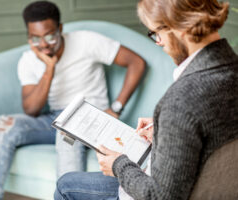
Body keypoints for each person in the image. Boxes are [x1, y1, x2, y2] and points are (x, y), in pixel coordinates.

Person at [54, 0, 238, 199]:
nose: (158, 42)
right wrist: (165, 129)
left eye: (156, 33)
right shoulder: (231, 71)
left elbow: (160, 196)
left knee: (66, 185)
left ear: (179, 28)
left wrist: (118, 164)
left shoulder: (181, 101)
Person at [0, 1, 145, 200]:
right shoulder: (28, 59)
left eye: (49, 36)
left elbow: (136, 62)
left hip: (89, 118)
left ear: (60, 29)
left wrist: (116, 108)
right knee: (3, 125)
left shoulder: (87, 41)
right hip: (53, 119)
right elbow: (31, 110)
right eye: (35, 38)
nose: (44, 44)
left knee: (66, 134)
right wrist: (49, 69)